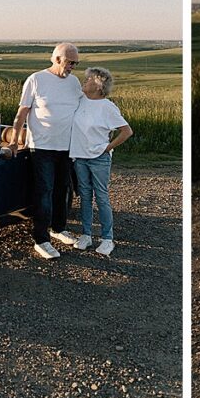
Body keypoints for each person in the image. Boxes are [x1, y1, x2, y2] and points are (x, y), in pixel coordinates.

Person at [14, 42, 83, 259]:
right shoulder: (36, 79)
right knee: (44, 191)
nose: (72, 66)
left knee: (63, 189)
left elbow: (82, 111)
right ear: (56, 59)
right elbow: (22, 112)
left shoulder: (74, 82)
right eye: (70, 62)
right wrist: (15, 140)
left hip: (67, 147)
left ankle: (58, 229)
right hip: (42, 146)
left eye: (76, 63)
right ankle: (41, 240)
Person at [69, 67, 133, 256]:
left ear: (99, 85)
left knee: (102, 197)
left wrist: (107, 148)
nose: (84, 81)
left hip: (99, 159)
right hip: (80, 158)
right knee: (85, 197)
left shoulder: (107, 107)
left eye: (88, 79)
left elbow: (127, 131)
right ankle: (86, 235)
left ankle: (107, 239)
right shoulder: (80, 101)